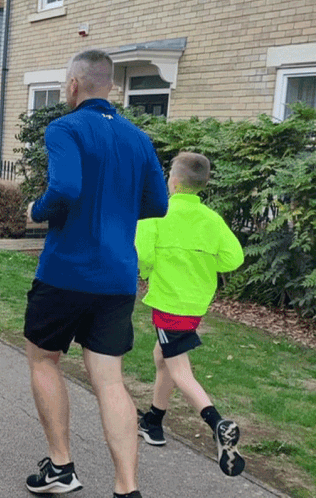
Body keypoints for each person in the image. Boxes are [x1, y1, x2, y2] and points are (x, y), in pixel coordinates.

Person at [23, 50, 168, 498]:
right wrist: (117, 211)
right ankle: (127, 488)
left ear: (73, 86)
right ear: (110, 87)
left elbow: (65, 187)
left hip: (66, 272)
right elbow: (158, 203)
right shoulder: (138, 138)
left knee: (44, 359)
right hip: (118, 277)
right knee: (110, 380)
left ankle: (61, 467)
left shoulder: (64, 128)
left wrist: (36, 210)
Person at [135, 152, 246, 477]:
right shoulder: (212, 219)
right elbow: (234, 258)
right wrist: (203, 263)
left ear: (173, 181)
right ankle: (154, 421)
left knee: (179, 369)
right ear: (203, 184)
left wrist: (148, 272)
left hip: (170, 303)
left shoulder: (157, 213)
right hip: (195, 304)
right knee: (162, 355)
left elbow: (142, 253)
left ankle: (217, 423)